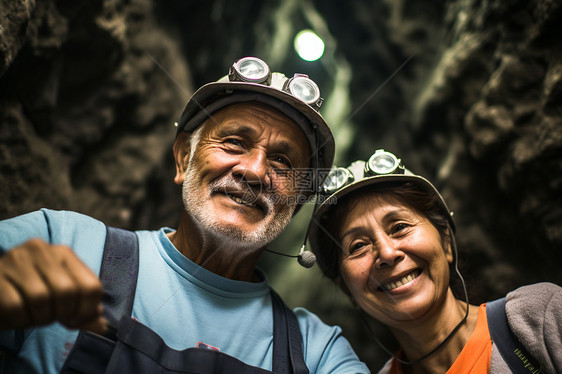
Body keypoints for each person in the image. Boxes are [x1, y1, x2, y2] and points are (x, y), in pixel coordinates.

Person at [0, 57, 369, 373]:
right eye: (234, 143)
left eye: (282, 162)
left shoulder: (315, 352)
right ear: (183, 159)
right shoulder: (64, 242)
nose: (254, 171)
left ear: (298, 202)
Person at [308, 149, 562, 373]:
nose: (386, 253)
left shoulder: (538, 319)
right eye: (358, 246)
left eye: (399, 227)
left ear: (447, 242)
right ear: (346, 289)